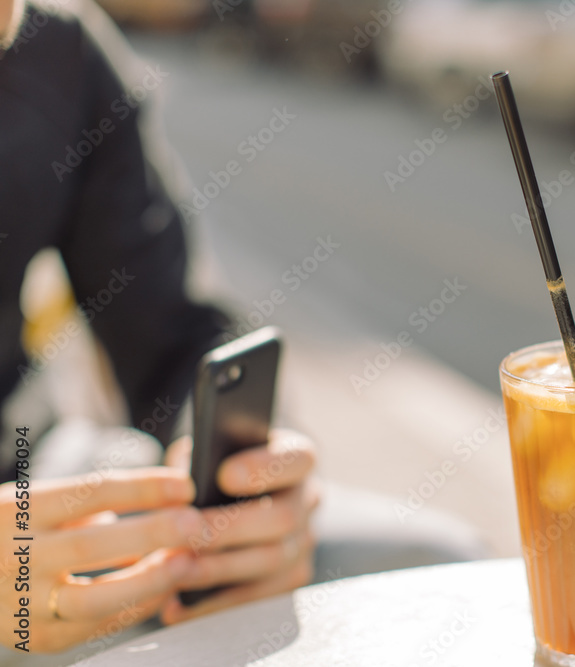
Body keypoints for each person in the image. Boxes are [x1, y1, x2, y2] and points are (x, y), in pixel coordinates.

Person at [0, 0, 487, 660]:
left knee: (445, 570)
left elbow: (176, 331)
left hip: (40, 482)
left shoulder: (62, 50)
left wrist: (243, 482)